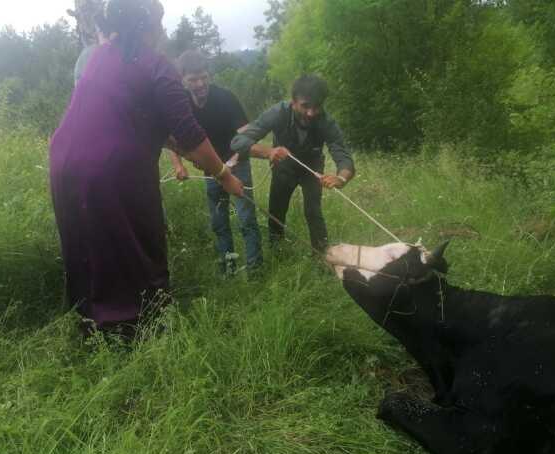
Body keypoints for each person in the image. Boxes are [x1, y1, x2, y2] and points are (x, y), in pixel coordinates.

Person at [49, 0, 244, 338]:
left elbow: (143, 123)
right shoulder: (157, 66)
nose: (164, 32)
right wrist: (224, 176)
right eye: (161, 23)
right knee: (136, 240)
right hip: (113, 170)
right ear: (147, 26)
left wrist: (183, 149)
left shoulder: (99, 57)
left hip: (64, 162)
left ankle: (91, 321)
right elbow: (190, 134)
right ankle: (140, 327)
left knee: (87, 239)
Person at [231, 74, 355, 253]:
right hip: (283, 168)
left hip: (312, 169)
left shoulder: (326, 122)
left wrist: (341, 179)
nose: (311, 113)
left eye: (317, 106)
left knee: (313, 212)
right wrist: (269, 152)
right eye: (305, 106)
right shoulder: (278, 112)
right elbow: (238, 141)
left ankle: (322, 256)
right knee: (276, 212)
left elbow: (343, 156)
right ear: (293, 101)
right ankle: (276, 251)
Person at [170, 50, 263, 276]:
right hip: (211, 169)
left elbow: (246, 136)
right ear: (183, 79)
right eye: (193, 79)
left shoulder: (226, 98)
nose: (200, 83)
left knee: (246, 218)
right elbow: (171, 138)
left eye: (204, 77)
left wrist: (231, 162)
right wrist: (178, 166)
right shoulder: (180, 103)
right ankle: (229, 269)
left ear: (209, 75)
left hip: (236, 162)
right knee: (219, 222)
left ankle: (255, 271)